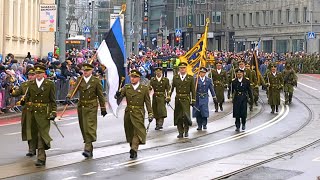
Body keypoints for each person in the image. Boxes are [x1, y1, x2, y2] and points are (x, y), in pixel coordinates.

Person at [66, 63, 107, 158]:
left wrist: (103, 108)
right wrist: (69, 96)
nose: (85, 72)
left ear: (91, 71)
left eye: (87, 71)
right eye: (84, 71)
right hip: (82, 106)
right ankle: (89, 146)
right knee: (84, 127)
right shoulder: (80, 80)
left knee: (90, 126)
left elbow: (100, 95)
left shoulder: (96, 81)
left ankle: (87, 148)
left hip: (91, 106)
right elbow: (73, 89)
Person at [115, 69, 153, 159]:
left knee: (138, 131)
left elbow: (148, 102)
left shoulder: (144, 89)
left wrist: (150, 113)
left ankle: (134, 149)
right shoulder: (126, 87)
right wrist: (117, 94)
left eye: (135, 77)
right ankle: (132, 148)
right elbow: (119, 97)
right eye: (131, 77)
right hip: (128, 112)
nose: (132, 78)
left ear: (139, 78)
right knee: (130, 132)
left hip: (139, 112)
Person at [25, 64, 57, 166]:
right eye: (36, 73)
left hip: (44, 113)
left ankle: (41, 157)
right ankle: (38, 154)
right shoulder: (31, 84)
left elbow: (53, 100)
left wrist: (53, 112)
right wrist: (24, 102)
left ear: (44, 74)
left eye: (40, 73)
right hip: (33, 112)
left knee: (41, 135)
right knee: (34, 135)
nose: (38, 75)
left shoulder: (49, 84)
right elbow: (27, 97)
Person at [10, 67, 37, 157]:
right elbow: (16, 93)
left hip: (38, 110)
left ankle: (39, 148)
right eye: (29, 75)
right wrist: (12, 89)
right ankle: (31, 149)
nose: (30, 77)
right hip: (27, 110)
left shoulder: (41, 85)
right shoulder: (24, 85)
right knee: (28, 129)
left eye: (33, 75)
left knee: (37, 130)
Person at [169, 62, 196, 138]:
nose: (182, 69)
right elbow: (171, 88)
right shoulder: (175, 77)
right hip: (178, 99)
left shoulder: (190, 78)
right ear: (179, 69)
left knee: (186, 116)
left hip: (186, 99)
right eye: (181, 68)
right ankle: (180, 132)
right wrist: (168, 96)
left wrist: (193, 100)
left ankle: (186, 131)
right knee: (178, 116)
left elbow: (193, 90)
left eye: (184, 68)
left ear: (186, 69)